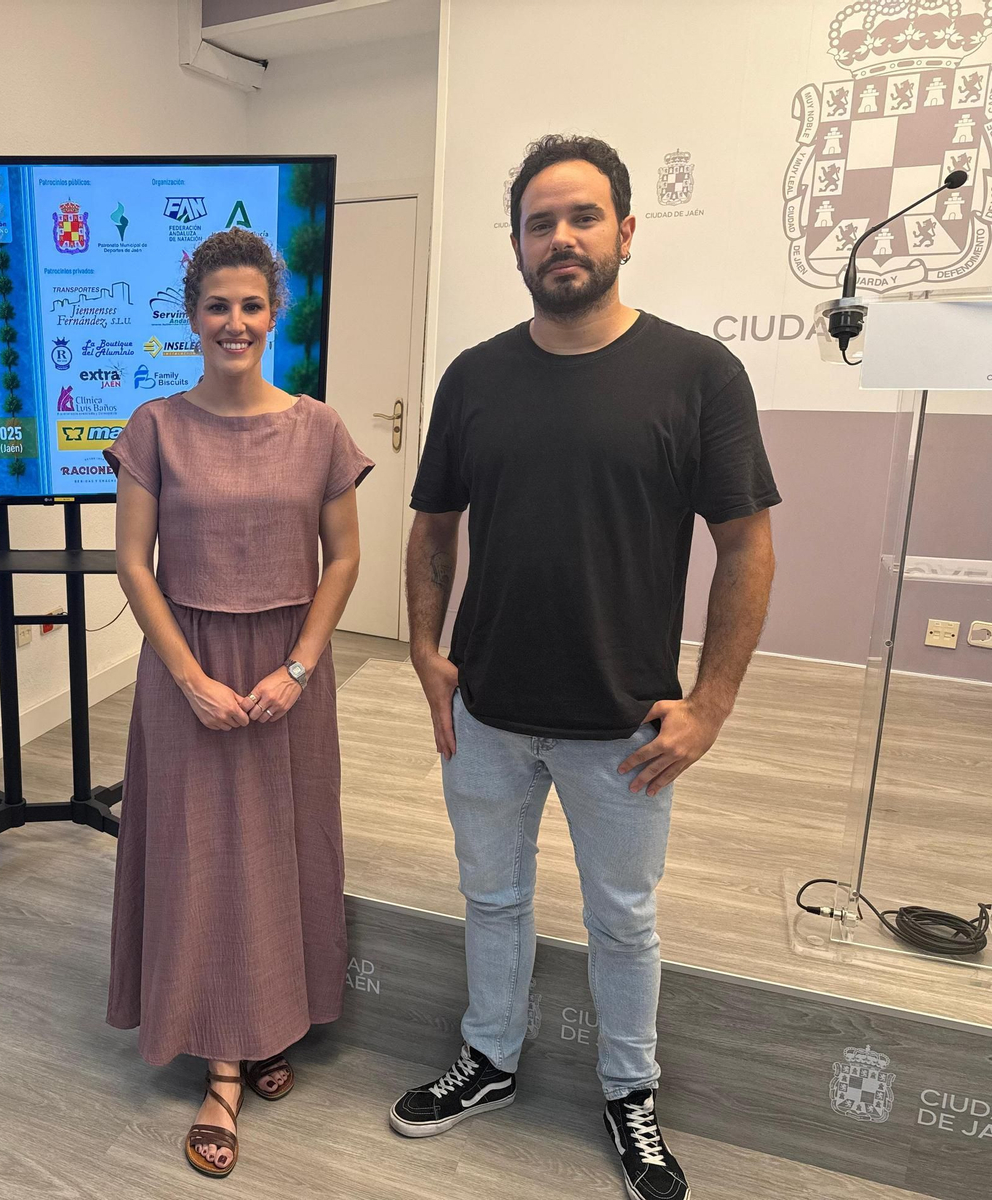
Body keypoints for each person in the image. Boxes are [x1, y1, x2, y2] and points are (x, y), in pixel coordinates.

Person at [389, 135, 778, 1200]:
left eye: (583, 217)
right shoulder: (474, 376)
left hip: (624, 727)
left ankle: (628, 1091)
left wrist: (712, 703)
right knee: (492, 899)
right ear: (514, 242)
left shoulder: (697, 373)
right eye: (539, 222)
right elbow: (431, 530)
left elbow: (746, 543)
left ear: (625, 230)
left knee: (623, 919)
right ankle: (491, 1061)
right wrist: (425, 651)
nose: (561, 238)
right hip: (489, 712)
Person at [104, 228, 374, 1178]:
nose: (234, 322)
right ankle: (223, 1062)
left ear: (275, 313)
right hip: (188, 669)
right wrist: (187, 678)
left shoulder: (321, 429)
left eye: (251, 305)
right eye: (217, 305)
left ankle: (271, 1021)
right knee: (204, 851)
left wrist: (297, 669)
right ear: (191, 316)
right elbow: (133, 563)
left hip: (289, 670)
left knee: (284, 843)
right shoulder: (156, 428)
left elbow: (343, 558)